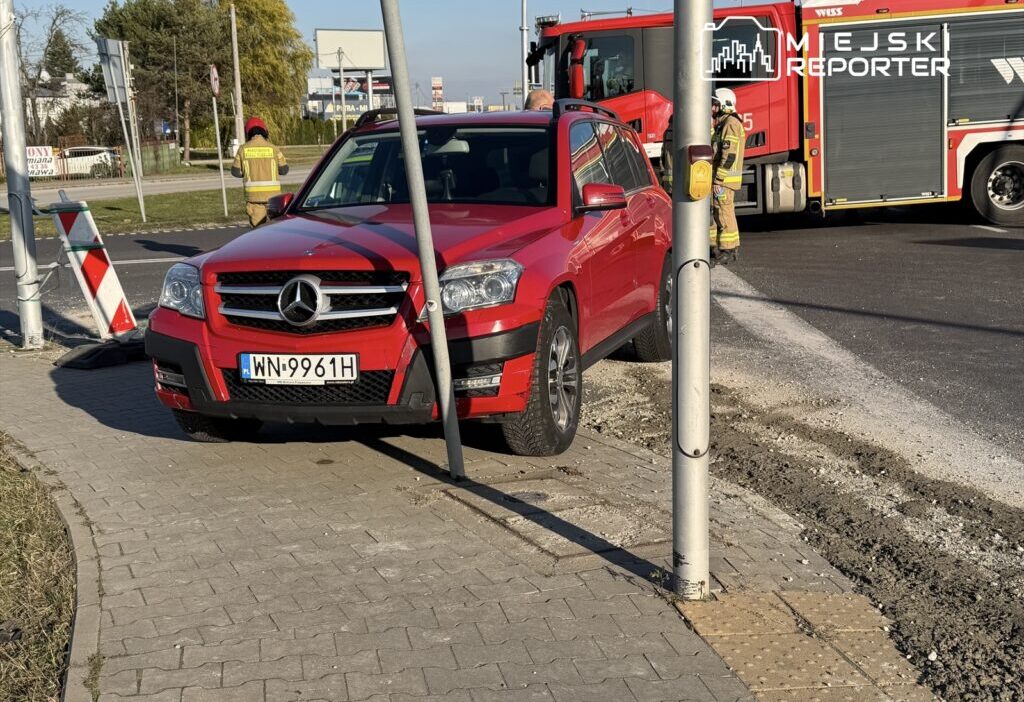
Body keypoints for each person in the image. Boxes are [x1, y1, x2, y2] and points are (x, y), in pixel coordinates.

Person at [231, 116, 289, 227]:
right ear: (265, 131)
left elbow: (235, 172)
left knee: (258, 233)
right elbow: (284, 170)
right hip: (274, 199)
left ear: (248, 132)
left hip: (254, 198)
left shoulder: (243, 149)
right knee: (276, 230)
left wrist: (248, 171)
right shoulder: (274, 148)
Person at [709, 88, 745, 265]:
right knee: (720, 211)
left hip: (725, 179)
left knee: (724, 212)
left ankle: (729, 249)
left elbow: (729, 155)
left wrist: (718, 180)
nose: (713, 108)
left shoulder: (730, 124)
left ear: (725, 105)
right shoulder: (723, 124)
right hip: (723, 178)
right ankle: (723, 248)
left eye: (715, 105)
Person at [659, 114, 673, 194]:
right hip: (678, 181)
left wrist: (661, 170)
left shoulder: (666, 132)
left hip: (667, 179)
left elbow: (663, 153)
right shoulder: (681, 133)